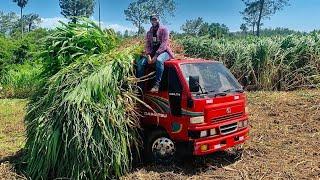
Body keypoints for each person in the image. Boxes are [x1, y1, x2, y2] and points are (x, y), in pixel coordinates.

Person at [136, 14, 174, 93]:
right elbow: (148, 45)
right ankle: (140, 86)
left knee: (159, 61)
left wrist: (156, 56)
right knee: (140, 63)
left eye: (155, 19)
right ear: (150, 21)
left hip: (164, 52)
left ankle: (157, 84)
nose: (154, 21)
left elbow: (164, 44)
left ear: (158, 20)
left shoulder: (164, 30)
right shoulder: (149, 33)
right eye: (152, 20)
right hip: (152, 53)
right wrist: (149, 55)